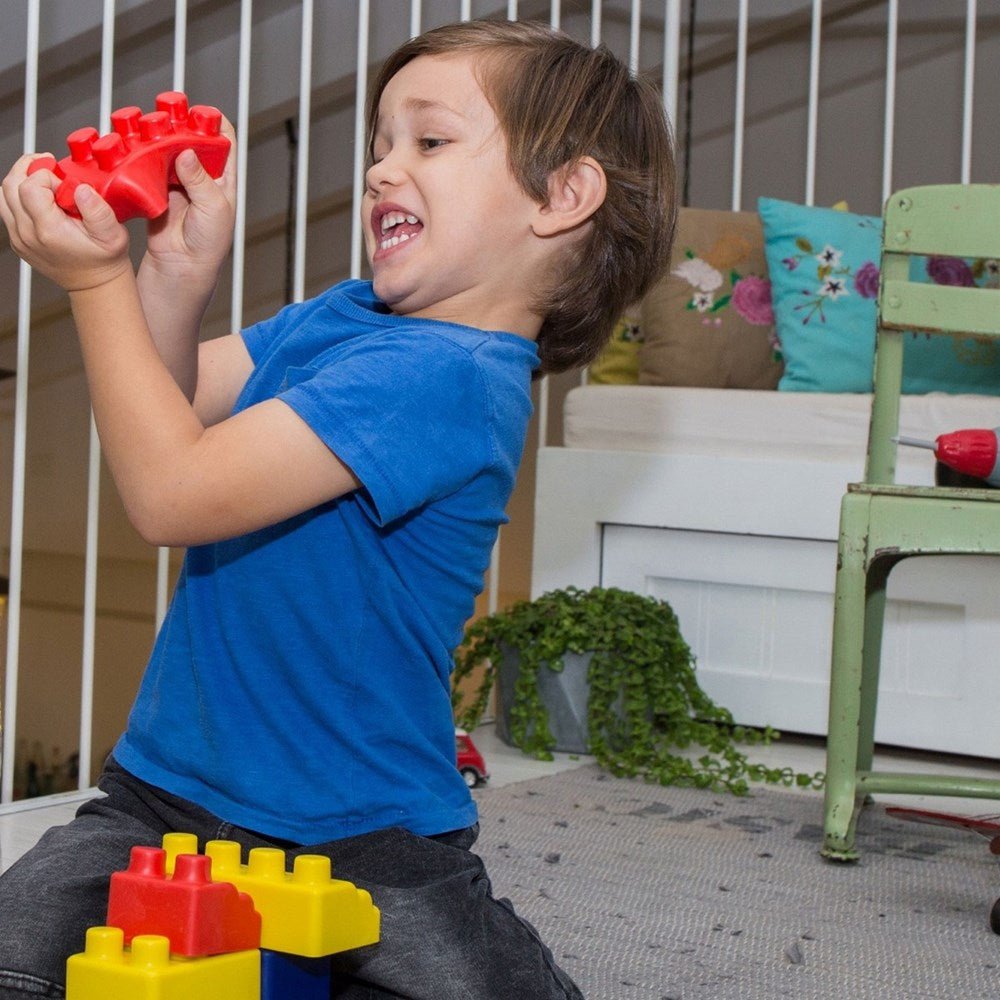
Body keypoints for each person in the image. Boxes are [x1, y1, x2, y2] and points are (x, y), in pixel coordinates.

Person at [0, 18, 675, 1000]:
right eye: (378, 147)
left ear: (562, 197)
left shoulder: (449, 376)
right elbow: (172, 408)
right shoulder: (341, 317)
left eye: (429, 142)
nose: (381, 170)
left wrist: (94, 281)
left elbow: (172, 494)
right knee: (20, 952)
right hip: (164, 796)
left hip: (362, 827)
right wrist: (171, 281)